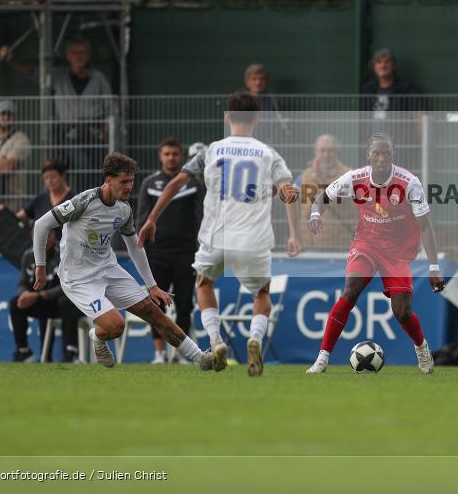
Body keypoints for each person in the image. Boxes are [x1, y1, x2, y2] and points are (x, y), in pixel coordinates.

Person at [139, 92, 301, 377]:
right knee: (261, 293)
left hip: (216, 235)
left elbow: (177, 182)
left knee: (204, 284)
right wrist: (293, 233)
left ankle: (215, 341)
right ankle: (255, 339)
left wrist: (152, 218)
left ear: (227, 118)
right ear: (256, 119)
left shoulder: (212, 150)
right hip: (253, 238)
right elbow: (287, 190)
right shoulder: (268, 154)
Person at [31, 152, 221, 371]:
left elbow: (134, 247)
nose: (129, 186)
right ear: (109, 180)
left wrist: (152, 286)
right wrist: (41, 267)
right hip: (78, 278)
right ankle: (97, 336)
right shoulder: (83, 202)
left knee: (153, 312)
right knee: (115, 326)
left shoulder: (124, 209)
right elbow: (41, 225)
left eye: (131, 181)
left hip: (108, 269)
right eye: (124, 181)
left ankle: (202, 359)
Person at [304, 133, 444, 375]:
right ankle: (322, 359)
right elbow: (321, 198)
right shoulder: (355, 178)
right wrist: (315, 214)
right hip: (366, 244)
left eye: (386, 154)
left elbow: (425, 226)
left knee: (402, 311)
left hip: (398, 251)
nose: (381, 159)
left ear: (393, 156)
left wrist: (433, 267)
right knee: (350, 292)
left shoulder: (409, 182)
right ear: (368, 155)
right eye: (376, 154)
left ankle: (422, 349)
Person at [1, 36, 115, 192]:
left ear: (88, 55)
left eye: (82, 52)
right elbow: (33, 72)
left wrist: (105, 131)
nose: (79, 56)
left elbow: (111, 107)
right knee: (81, 165)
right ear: (68, 56)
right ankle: (80, 203)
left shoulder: (98, 78)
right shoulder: (59, 76)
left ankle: (92, 203)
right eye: (74, 52)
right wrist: (11, 60)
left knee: (97, 171)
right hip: (68, 135)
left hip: (93, 136)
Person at [137, 138, 204, 364]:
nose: (171, 158)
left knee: (185, 304)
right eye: (166, 154)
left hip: (186, 253)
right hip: (157, 253)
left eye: (175, 154)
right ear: (160, 156)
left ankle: (181, 353)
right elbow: (142, 218)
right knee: (155, 305)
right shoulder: (149, 183)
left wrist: (200, 246)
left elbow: (200, 218)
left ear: (181, 157)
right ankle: (159, 354)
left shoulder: (194, 184)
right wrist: (142, 249)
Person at [9, 229, 84, 363]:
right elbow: (22, 282)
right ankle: (24, 352)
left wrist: (40, 296)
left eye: (47, 235)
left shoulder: (64, 253)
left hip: (68, 304)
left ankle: (71, 353)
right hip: (43, 303)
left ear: (54, 235)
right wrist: (24, 293)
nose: (42, 240)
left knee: (66, 301)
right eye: (38, 236)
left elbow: (68, 286)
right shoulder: (28, 255)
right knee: (15, 303)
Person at [360, 48, 424, 167]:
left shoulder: (407, 89)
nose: (383, 65)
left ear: (394, 65)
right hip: (374, 147)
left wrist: (419, 143)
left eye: (386, 62)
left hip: (401, 148)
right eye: (378, 62)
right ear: (374, 67)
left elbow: (418, 117)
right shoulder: (368, 90)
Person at [294, 134, 354, 250]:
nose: (326, 155)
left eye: (330, 151)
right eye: (322, 151)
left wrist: (318, 177)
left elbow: (332, 200)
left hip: (340, 246)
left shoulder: (348, 175)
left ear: (337, 152)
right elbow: (290, 198)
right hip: (309, 245)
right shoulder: (305, 176)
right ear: (316, 153)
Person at [0, 159, 74, 223]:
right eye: (46, 178)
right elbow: (18, 218)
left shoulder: (73, 200)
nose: (50, 181)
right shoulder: (40, 199)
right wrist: (5, 212)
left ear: (63, 176)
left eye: (53, 176)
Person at [243, 63, 288, 146]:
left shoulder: (274, 102)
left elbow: (280, 126)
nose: (258, 83)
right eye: (254, 79)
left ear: (266, 81)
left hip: (269, 145)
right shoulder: (241, 102)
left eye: (261, 79)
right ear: (247, 82)